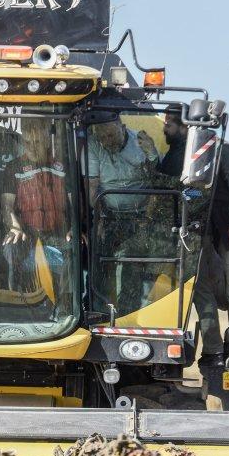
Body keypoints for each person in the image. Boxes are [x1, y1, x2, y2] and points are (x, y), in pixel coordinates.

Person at [162, 112, 229, 366]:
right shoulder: (190, 155)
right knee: (203, 287)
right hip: (215, 233)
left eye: (169, 123)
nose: (165, 127)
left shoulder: (223, 152)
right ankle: (214, 350)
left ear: (187, 128)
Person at [86, 119, 165, 314]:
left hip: (141, 218)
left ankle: (127, 314)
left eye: (111, 135)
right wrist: (98, 218)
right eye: (103, 137)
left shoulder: (141, 144)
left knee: (133, 269)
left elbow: (158, 182)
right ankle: (98, 312)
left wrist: (152, 154)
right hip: (108, 216)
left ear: (123, 128)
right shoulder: (93, 145)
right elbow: (92, 186)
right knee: (99, 265)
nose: (107, 141)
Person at [1, 120, 71, 294]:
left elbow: (75, 202)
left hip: (58, 232)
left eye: (37, 142)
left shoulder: (63, 167)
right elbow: (6, 205)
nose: (32, 146)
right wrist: (15, 227)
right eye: (27, 142)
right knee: (11, 248)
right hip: (27, 232)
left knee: (76, 250)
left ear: (47, 141)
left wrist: (75, 228)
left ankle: (65, 305)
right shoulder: (13, 167)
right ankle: (17, 301)